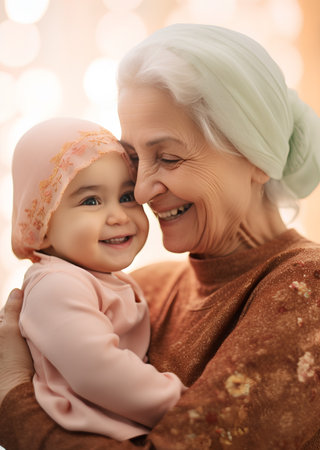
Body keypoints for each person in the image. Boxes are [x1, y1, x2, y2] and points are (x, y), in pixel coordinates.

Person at [0, 23, 320, 450]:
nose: (140, 191)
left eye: (169, 157)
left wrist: (13, 403)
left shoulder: (317, 291)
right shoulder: (145, 288)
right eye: (136, 159)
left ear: (256, 156)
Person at [3, 117, 186, 442]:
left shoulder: (96, 278)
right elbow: (97, 370)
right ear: (42, 225)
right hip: (85, 433)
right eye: (91, 201)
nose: (118, 215)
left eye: (127, 196)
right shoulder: (55, 285)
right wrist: (183, 402)